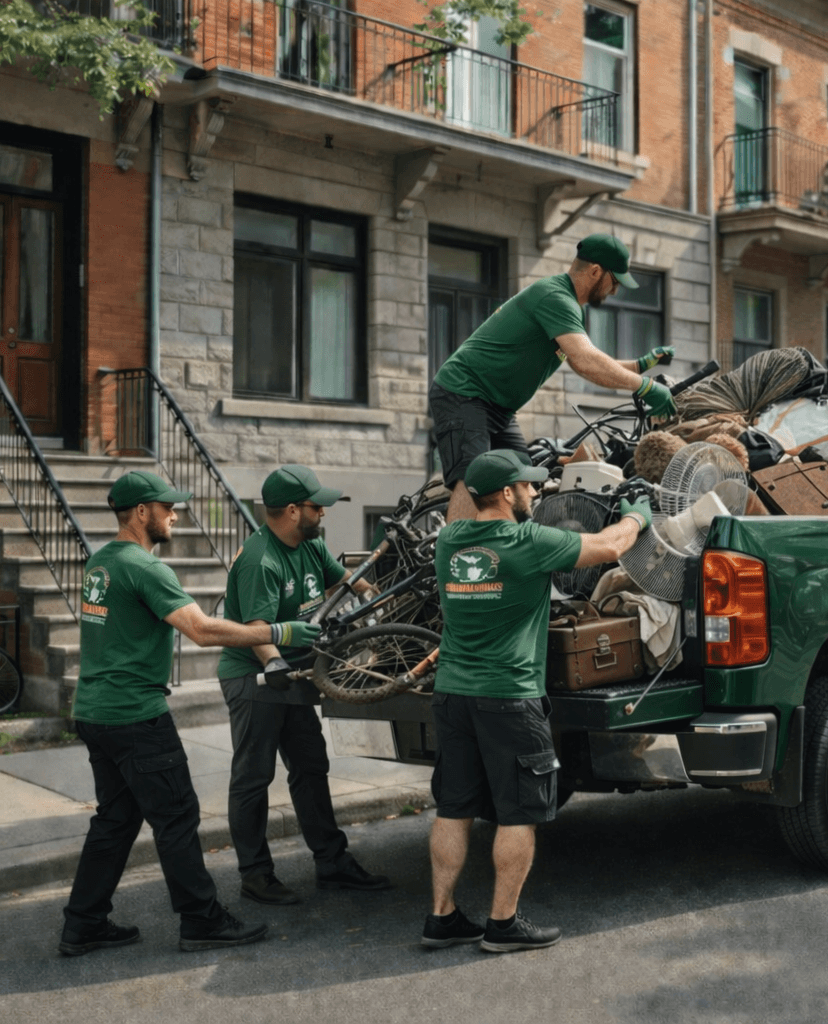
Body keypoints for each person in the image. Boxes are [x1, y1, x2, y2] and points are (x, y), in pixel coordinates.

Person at [61, 470, 322, 956]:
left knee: (116, 820)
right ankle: (202, 920)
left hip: (95, 711)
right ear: (142, 513)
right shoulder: (144, 567)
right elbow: (201, 630)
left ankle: (83, 923)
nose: (175, 513)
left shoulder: (101, 563)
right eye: (167, 507)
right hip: (134, 714)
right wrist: (279, 633)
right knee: (177, 816)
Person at [420, 449, 652, 953]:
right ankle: (503, 924)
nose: (536, 492)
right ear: (505, 493)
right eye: (527, 486)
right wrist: (638, 512)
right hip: (508, 697)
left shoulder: (450, 540)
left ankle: (441, 917)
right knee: (517, 813)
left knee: (453, 808)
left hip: (452, 694)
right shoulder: (527, 541)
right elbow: (609, 547)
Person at [217, 464, 390, 905]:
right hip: (257, 677)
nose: (324, 514)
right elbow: (257, 630)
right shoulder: (262, 559)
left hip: (295, 675)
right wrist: (274, 664)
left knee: (311, 765)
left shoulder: (309, 545)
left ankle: (332, 862)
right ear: (293, 511)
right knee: (254, 777)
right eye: (318, 507)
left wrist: (379, 600)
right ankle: (255, 874)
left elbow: (345, 581)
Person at [429, 233, 679, 521]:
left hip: (498, 407)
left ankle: (509, 556)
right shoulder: (556, 297)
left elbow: (584, 358)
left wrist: (641, 364)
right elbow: (585, 360)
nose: (614, 291)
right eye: (615, 281)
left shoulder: (568, 305)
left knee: (520, 481)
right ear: (596, 271)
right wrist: (647, 387)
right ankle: (453, 560)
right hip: (464, 393)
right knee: (473, 479)